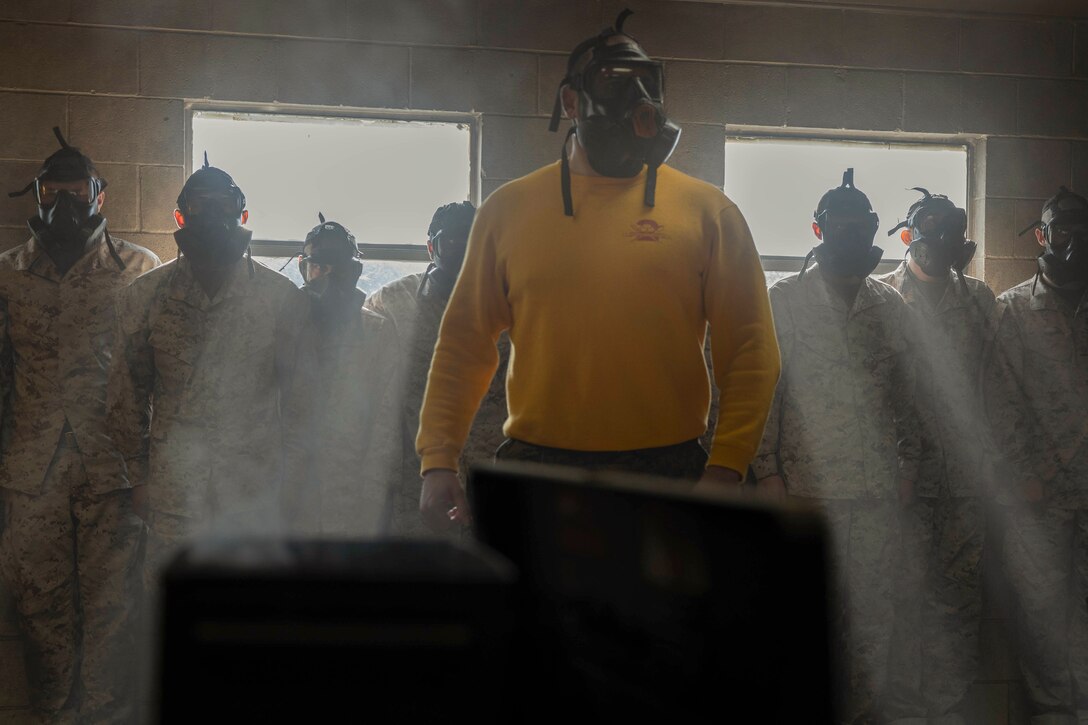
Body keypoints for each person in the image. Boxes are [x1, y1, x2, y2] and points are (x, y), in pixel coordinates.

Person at [416, 10, 780, 531]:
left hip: (669, 471)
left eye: (645, 85)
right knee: (531, 615)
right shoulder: (509, 210)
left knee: (658, 616)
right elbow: (464, 342)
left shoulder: (708, 213)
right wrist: (437, 458)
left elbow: (750, 348)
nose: (635, 102)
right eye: (613, 84)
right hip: (539, 471)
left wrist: (725, 468)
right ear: (571, 101)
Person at [0, 127, 159, 723]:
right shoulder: (8, 273)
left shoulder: (139, 269)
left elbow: (154, 375)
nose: (63, 204)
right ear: (37, 196)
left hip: (112, 475)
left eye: (76, 191)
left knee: (113, 610)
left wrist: (148, 469)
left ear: (99, 195)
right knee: (39, 610)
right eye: (51, 192)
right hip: (31, 473)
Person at [753, 169, 919, 724]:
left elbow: (911, 399)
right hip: (805, 496)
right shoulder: (783, 302)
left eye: (862, 228)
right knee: (801, 625)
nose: (852, 239)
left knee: (871, 629)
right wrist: (767, 474)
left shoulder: (890, 307)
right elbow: (759, 393)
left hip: (873, 497)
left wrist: (906, 465)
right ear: (818, 230)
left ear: (875, 229)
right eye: (839, 228)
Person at [107, 155, 307, 584]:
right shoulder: (145, 297)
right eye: (201, 204)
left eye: (224, 204)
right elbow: (126, 396)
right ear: (180, 214)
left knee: (250, 619)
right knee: (175, 617)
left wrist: (293, 483)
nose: (214, 214)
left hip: (253, 496)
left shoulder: (281, 299)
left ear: (243, 213)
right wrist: (139, 479)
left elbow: (301, 401)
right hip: (175, 496)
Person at [876, 189, 993, 725]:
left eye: (950, 235)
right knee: (901, 595)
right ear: (908, 236)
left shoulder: (979, 301)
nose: (938, 246)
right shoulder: (882, 299)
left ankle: (947, 711)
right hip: (903, 481)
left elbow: (996, 388)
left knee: (958, 600)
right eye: (929, 233)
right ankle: (904, 713)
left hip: (965, 480)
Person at [983, 186, 1088, 724]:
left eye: (1080, 229)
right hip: (1039, 494)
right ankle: (1052, 713)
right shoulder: (1013, 310)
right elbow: (998, 402)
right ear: (1042, 237)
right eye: (1062, 230)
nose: (1073, 242)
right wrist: (1024, 474)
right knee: (1042, 611)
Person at [365, 201, 509, 536]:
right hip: (419, 484)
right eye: (453, 242)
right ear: (432, 247)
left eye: (477, 241)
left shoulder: (512, 305)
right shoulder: (393, 302)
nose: (465, 252)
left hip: (492, 474)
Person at [284, 213, 399, 535]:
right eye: (319, 267)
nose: (327, 278)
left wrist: (376, 490)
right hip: (289, 491)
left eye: (338, 269)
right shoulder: (281, 327)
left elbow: (385, 421)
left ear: (354, 272)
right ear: (304, 267)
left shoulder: (376, 332)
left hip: (352, 493)